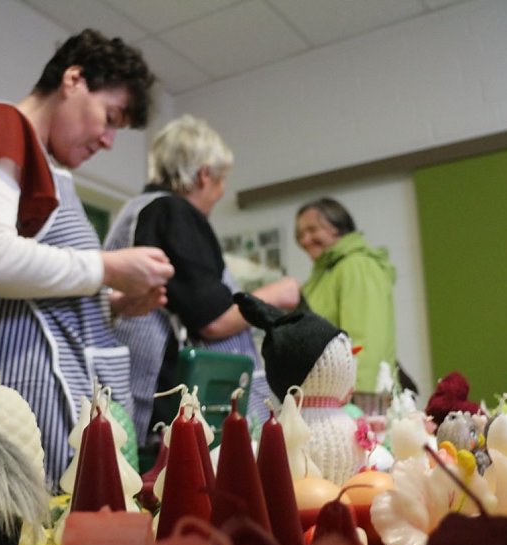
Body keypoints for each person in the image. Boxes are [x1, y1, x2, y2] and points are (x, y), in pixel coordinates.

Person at [0, 29, 174, 491]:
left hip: (57, 400)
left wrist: (114, 303)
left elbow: (40, 292)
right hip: (17, 394)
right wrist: (108, 267)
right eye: (110, 117)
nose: (108, 141)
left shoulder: (44, 165)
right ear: (73, 79)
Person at [104, 114, 300, 449]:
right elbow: (214, 320)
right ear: (204, 174)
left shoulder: (135, 211)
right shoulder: (175, 213)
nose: (221, 192)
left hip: (132, 391)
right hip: (167, 402)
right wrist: (277, 294)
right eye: (222, 180)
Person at [294, 197, 397, 414]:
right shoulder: (323, 275)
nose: (305, 239)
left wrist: (356, 402)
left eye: (312, 229)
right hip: (333, 398)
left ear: (337, 229)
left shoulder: (356, 265)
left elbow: (366, 340)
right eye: (300, 234)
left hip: (360, 400)